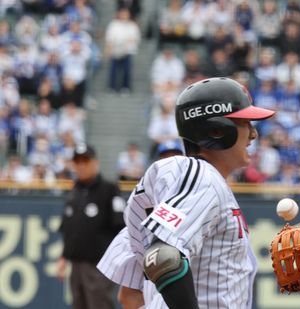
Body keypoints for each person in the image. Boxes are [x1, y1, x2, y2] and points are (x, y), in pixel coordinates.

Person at [97, 77, 275, 309]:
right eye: (245, 123)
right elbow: (163, 257)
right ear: (217, 130)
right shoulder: (201, 177)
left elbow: (130, 294)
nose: (253, 134)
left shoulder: (179, 186)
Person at [57, 144, 126, 309]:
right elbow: (69, 229)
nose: (81, 166)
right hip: (76, 265)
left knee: (99, 305)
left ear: (95, 163)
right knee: (78, 305)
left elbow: (122, 229)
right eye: (77, 162)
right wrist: (63, 258)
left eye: (85, 161)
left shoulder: (109, 189)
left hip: (100, 266)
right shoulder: (74, 191)